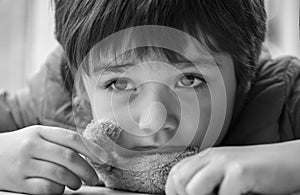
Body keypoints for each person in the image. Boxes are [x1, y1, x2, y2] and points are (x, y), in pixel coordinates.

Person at [0, 0, 300, 194]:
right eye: (119, 84)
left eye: (189, 80)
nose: (153, 122)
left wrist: (287, 164)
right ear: (81, 86)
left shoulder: (282, 95)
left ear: (244, 78)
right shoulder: (56, 93)